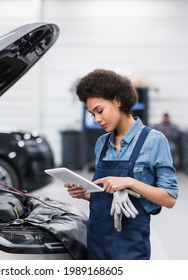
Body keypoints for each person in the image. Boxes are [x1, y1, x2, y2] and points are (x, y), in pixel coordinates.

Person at [64, 69, 178, 260]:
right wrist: (87, 194)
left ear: (117, 100)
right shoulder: (102, 144)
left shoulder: (153, 141)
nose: (97, 119)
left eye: (100, 111)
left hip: (130, 246)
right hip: (96, 240)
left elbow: (169, 199)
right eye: (92, 114)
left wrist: (131, 182)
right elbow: (108, 197)